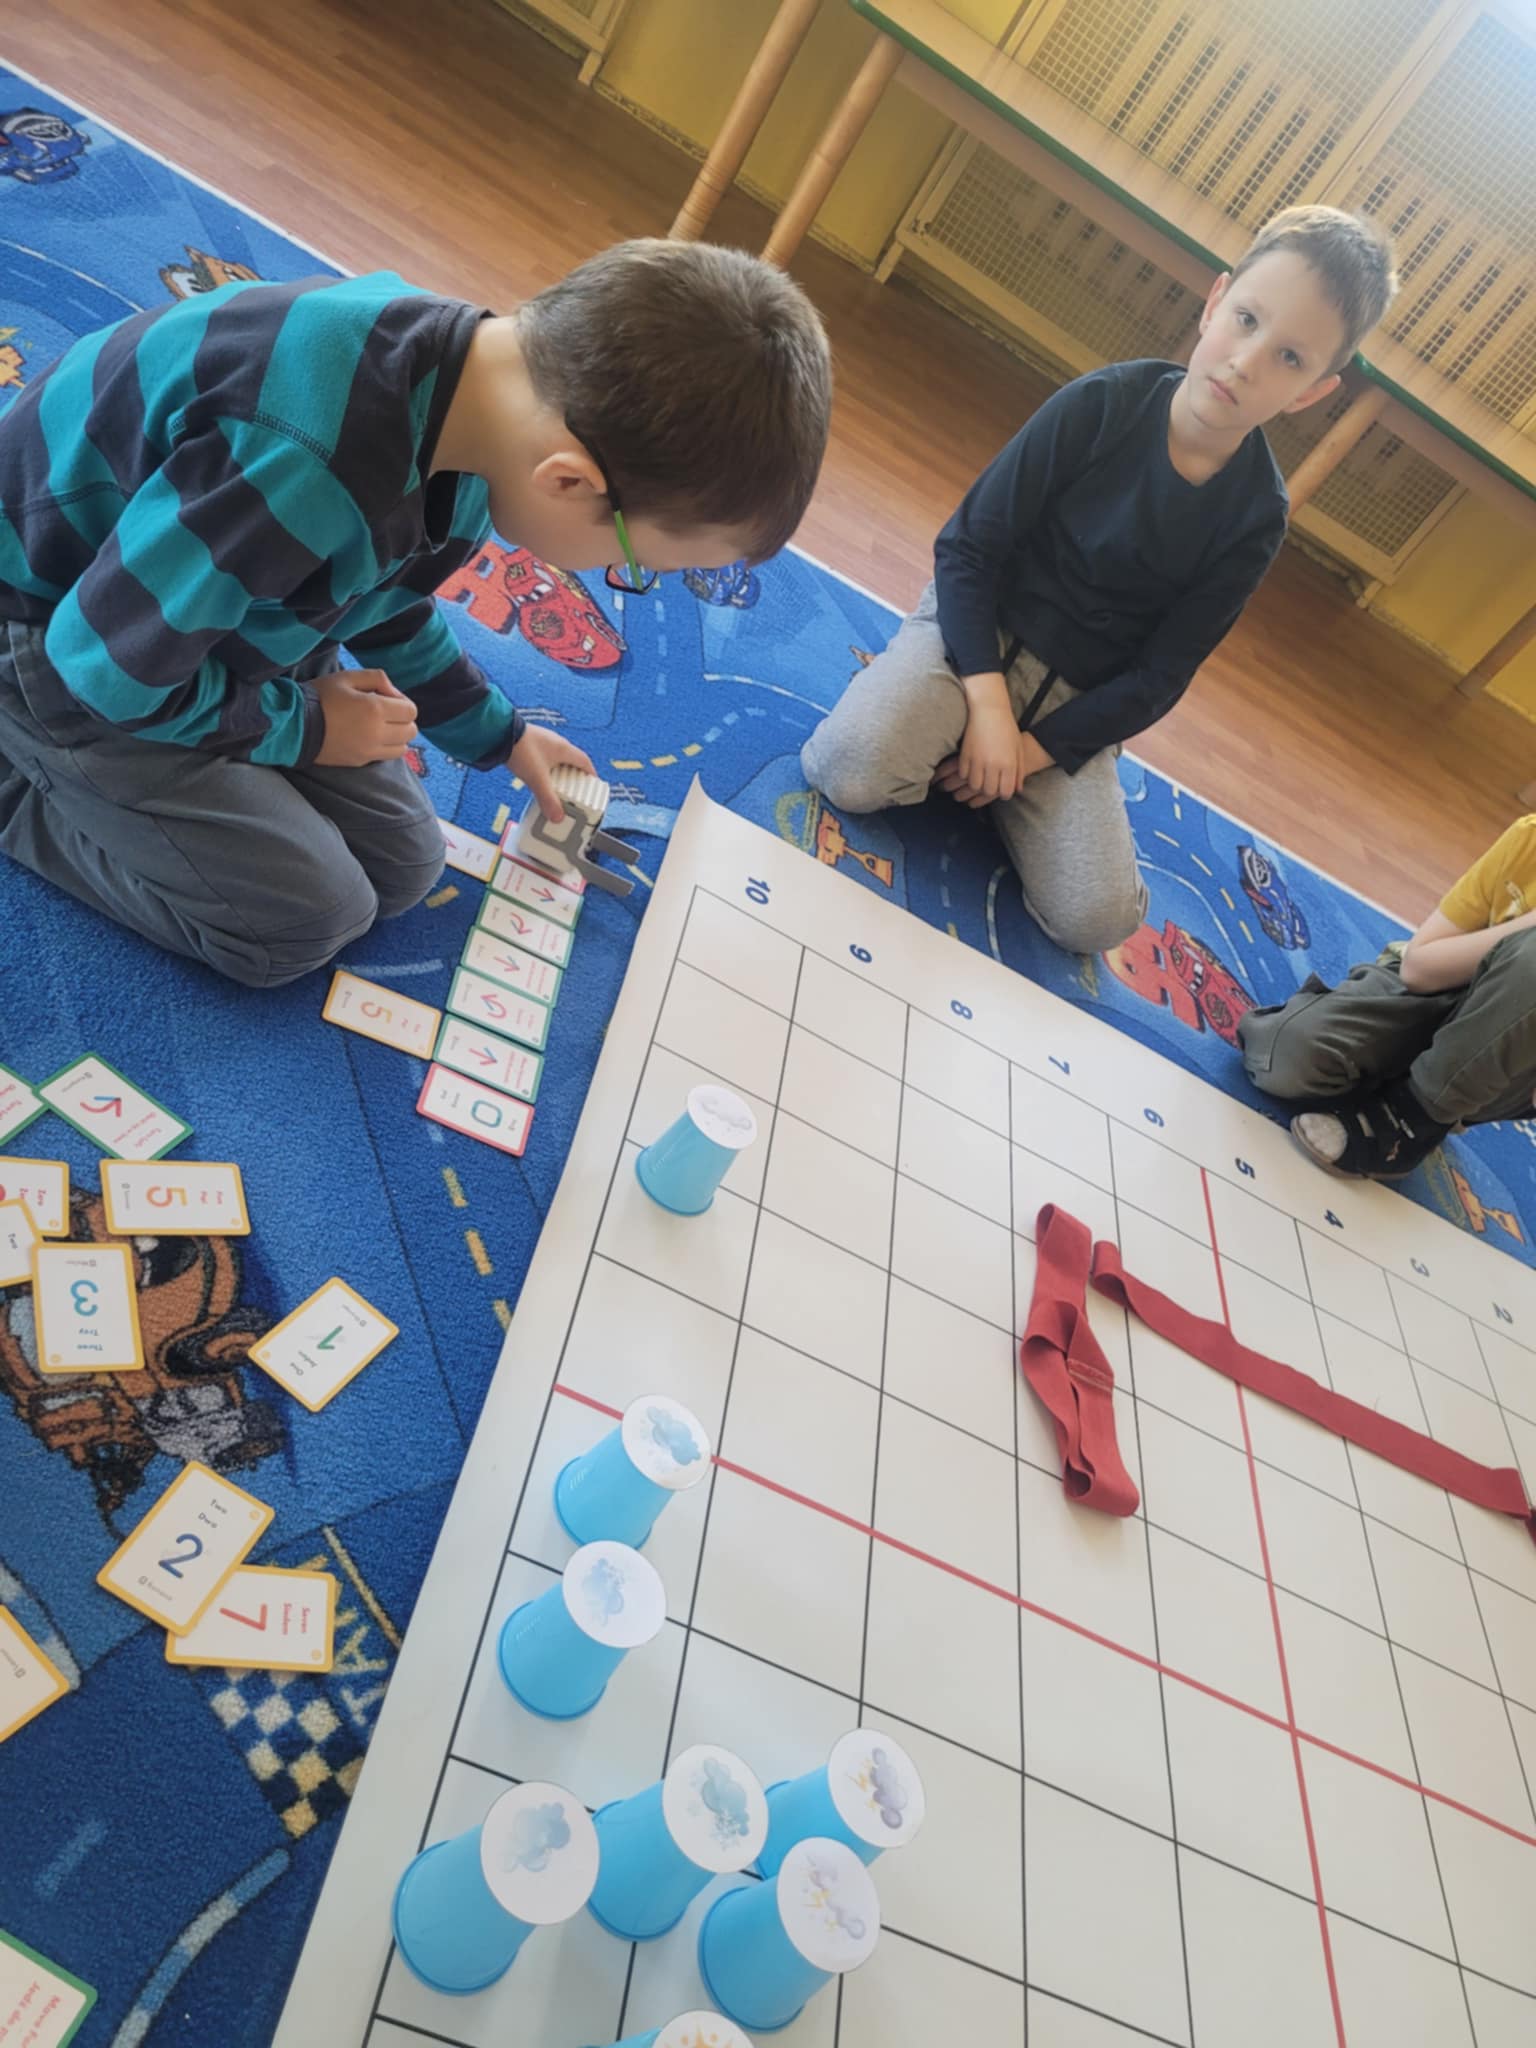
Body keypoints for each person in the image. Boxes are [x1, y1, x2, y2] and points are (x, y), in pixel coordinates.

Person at [0, 240, 831, 986]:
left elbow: (384, 597)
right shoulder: (305, 465)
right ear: (568, 480)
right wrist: (306, 728)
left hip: (203, 605)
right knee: (300, 924)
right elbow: (107, 670)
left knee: (403, 868)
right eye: (636, 565)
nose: (617, 578)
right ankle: (19, 782)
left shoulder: (484, 403)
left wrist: (502, 736)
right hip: (61, 637)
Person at [802, 205, 1396, 955]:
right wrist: (987, 708)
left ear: (1311, 392)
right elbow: (968, 549)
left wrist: (1028, 754)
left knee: (1098, 920)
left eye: (1289, 358)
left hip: (1071, 715)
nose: (1247, 362)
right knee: (848, 771)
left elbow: (1158, 679)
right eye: (1246, 320)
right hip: (972, 644)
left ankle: (979, 769)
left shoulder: (1257, 518)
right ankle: (947, 731)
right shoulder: (1104, 401)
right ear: (1215, 302)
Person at [1240, 817, 1536, 1180]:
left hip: (1503, 1058)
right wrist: (1525, 928)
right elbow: (1419, 968)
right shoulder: (1529, 838)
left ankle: (1414, 1117)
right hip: (1438, 989)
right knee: (1282, 1056)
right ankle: (1405, 1090)